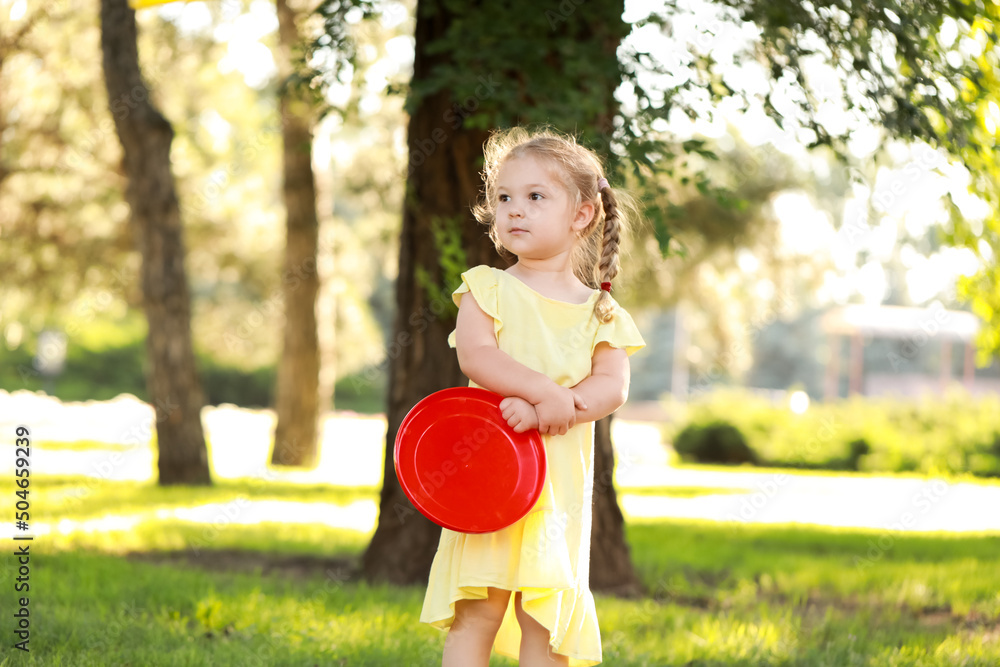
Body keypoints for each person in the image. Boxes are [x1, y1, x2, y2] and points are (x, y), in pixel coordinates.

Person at [419, 126, 645, 667]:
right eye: (503, 198)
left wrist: (557, 412)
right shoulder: (486, 288)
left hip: (557, 493)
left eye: (535, 197)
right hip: (489, 478)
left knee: (544, 621)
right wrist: (545, 393)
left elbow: (611, 386)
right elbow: (477, 357)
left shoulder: (602, 312)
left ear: (583, 215)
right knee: (477, 610)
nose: (514, 210)